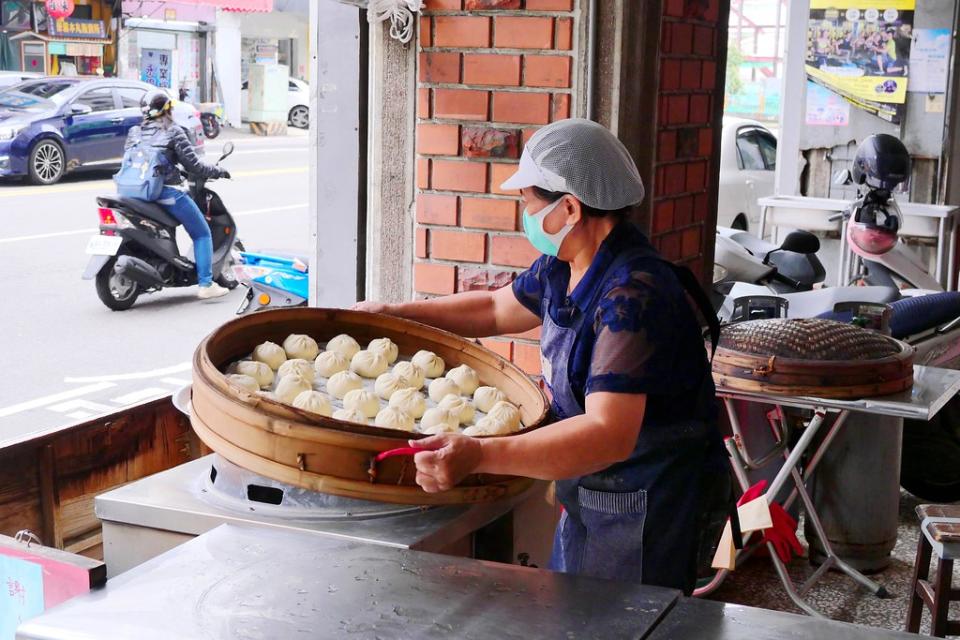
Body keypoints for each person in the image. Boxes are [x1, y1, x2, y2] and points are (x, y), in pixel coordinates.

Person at [355, 119, 731, 594]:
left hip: (647, 505)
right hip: (588, 488)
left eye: (530, 203)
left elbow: (608, 434)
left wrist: (479, 455)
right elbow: (495, 308)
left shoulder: (634, 297)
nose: (526, 214)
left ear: (569, 208)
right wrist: (393, 315)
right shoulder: (565, 265)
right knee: (573, 615)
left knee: (625, 626)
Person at [125, 90, 231, 300]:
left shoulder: (135, 132)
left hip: (132, 193)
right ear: (168, 108)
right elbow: (195, 166)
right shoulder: (174, 131)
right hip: (163, 193)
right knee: (202, 233)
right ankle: (206, 284)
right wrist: (218, 171)